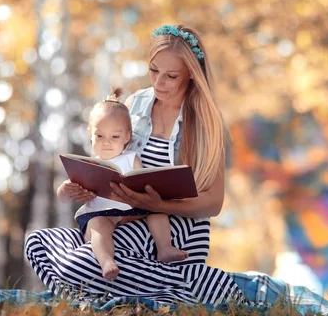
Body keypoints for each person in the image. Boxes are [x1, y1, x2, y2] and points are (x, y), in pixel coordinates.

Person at [25, 24, 245, 304]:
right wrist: (89, 187)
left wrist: (158, 205)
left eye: (171, 76)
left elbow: (213, 204)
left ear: (192, 74)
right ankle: (174, 288)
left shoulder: (203, 123)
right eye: (154, 70)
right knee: (37, 242)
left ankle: (206, 285)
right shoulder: (136, 104)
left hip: (175, 225)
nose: (158, 83)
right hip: (123, 215)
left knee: (79, 265)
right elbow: (115, 161)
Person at [57, 88, 188, 281]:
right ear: (90, 134)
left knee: (157, 210)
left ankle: (164, 247)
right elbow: (63, 197)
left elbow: (141, 180)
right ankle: (106, 261)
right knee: (98, 227)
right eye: (100, 136)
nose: (107, 143)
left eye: (115, 137)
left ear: (127, 137)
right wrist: (65, 190)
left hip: (130, 211)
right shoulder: (88, 165)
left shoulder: (132, 158)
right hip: (100, 213)